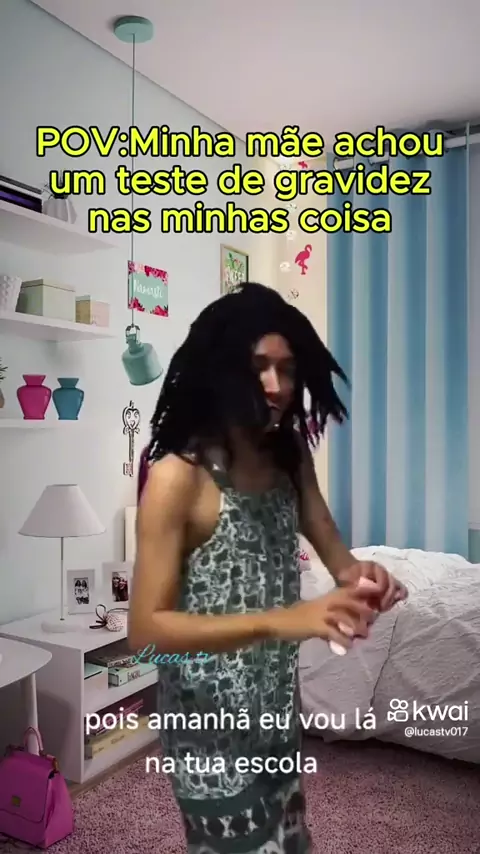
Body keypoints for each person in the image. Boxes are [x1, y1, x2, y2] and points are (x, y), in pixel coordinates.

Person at [129, 282, 407, 854]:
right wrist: (286, 620)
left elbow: (341, 561)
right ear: (221, 370)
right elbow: (146, 632)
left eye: (287, 369)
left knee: (291, 842)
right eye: (258, 367)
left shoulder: (290, 455)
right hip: (207, 731)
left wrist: (367, 580)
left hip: (276, 711)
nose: (276, 386)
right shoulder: (179, 476)